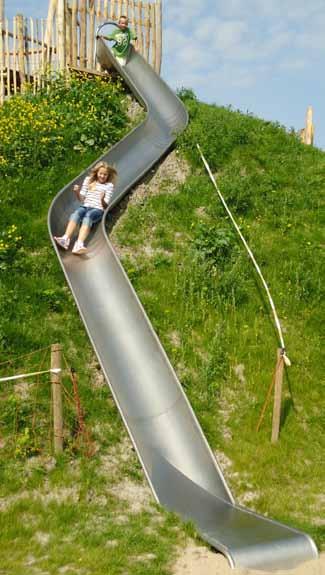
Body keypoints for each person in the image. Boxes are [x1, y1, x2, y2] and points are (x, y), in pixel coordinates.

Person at [54, 161, 117, 255]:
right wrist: (77, 192)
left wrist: (102, 199)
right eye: (101, 173)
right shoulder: (88, 180)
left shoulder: (109, 186)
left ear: (108, 175)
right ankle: (65, 238)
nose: (102, 176)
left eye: (105, 174)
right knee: (76, 213)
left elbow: (105, 206)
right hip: (85, 206)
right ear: (97, 173)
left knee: (88, 216)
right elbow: (82, 199)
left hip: (98, 209)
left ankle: (79, 244)